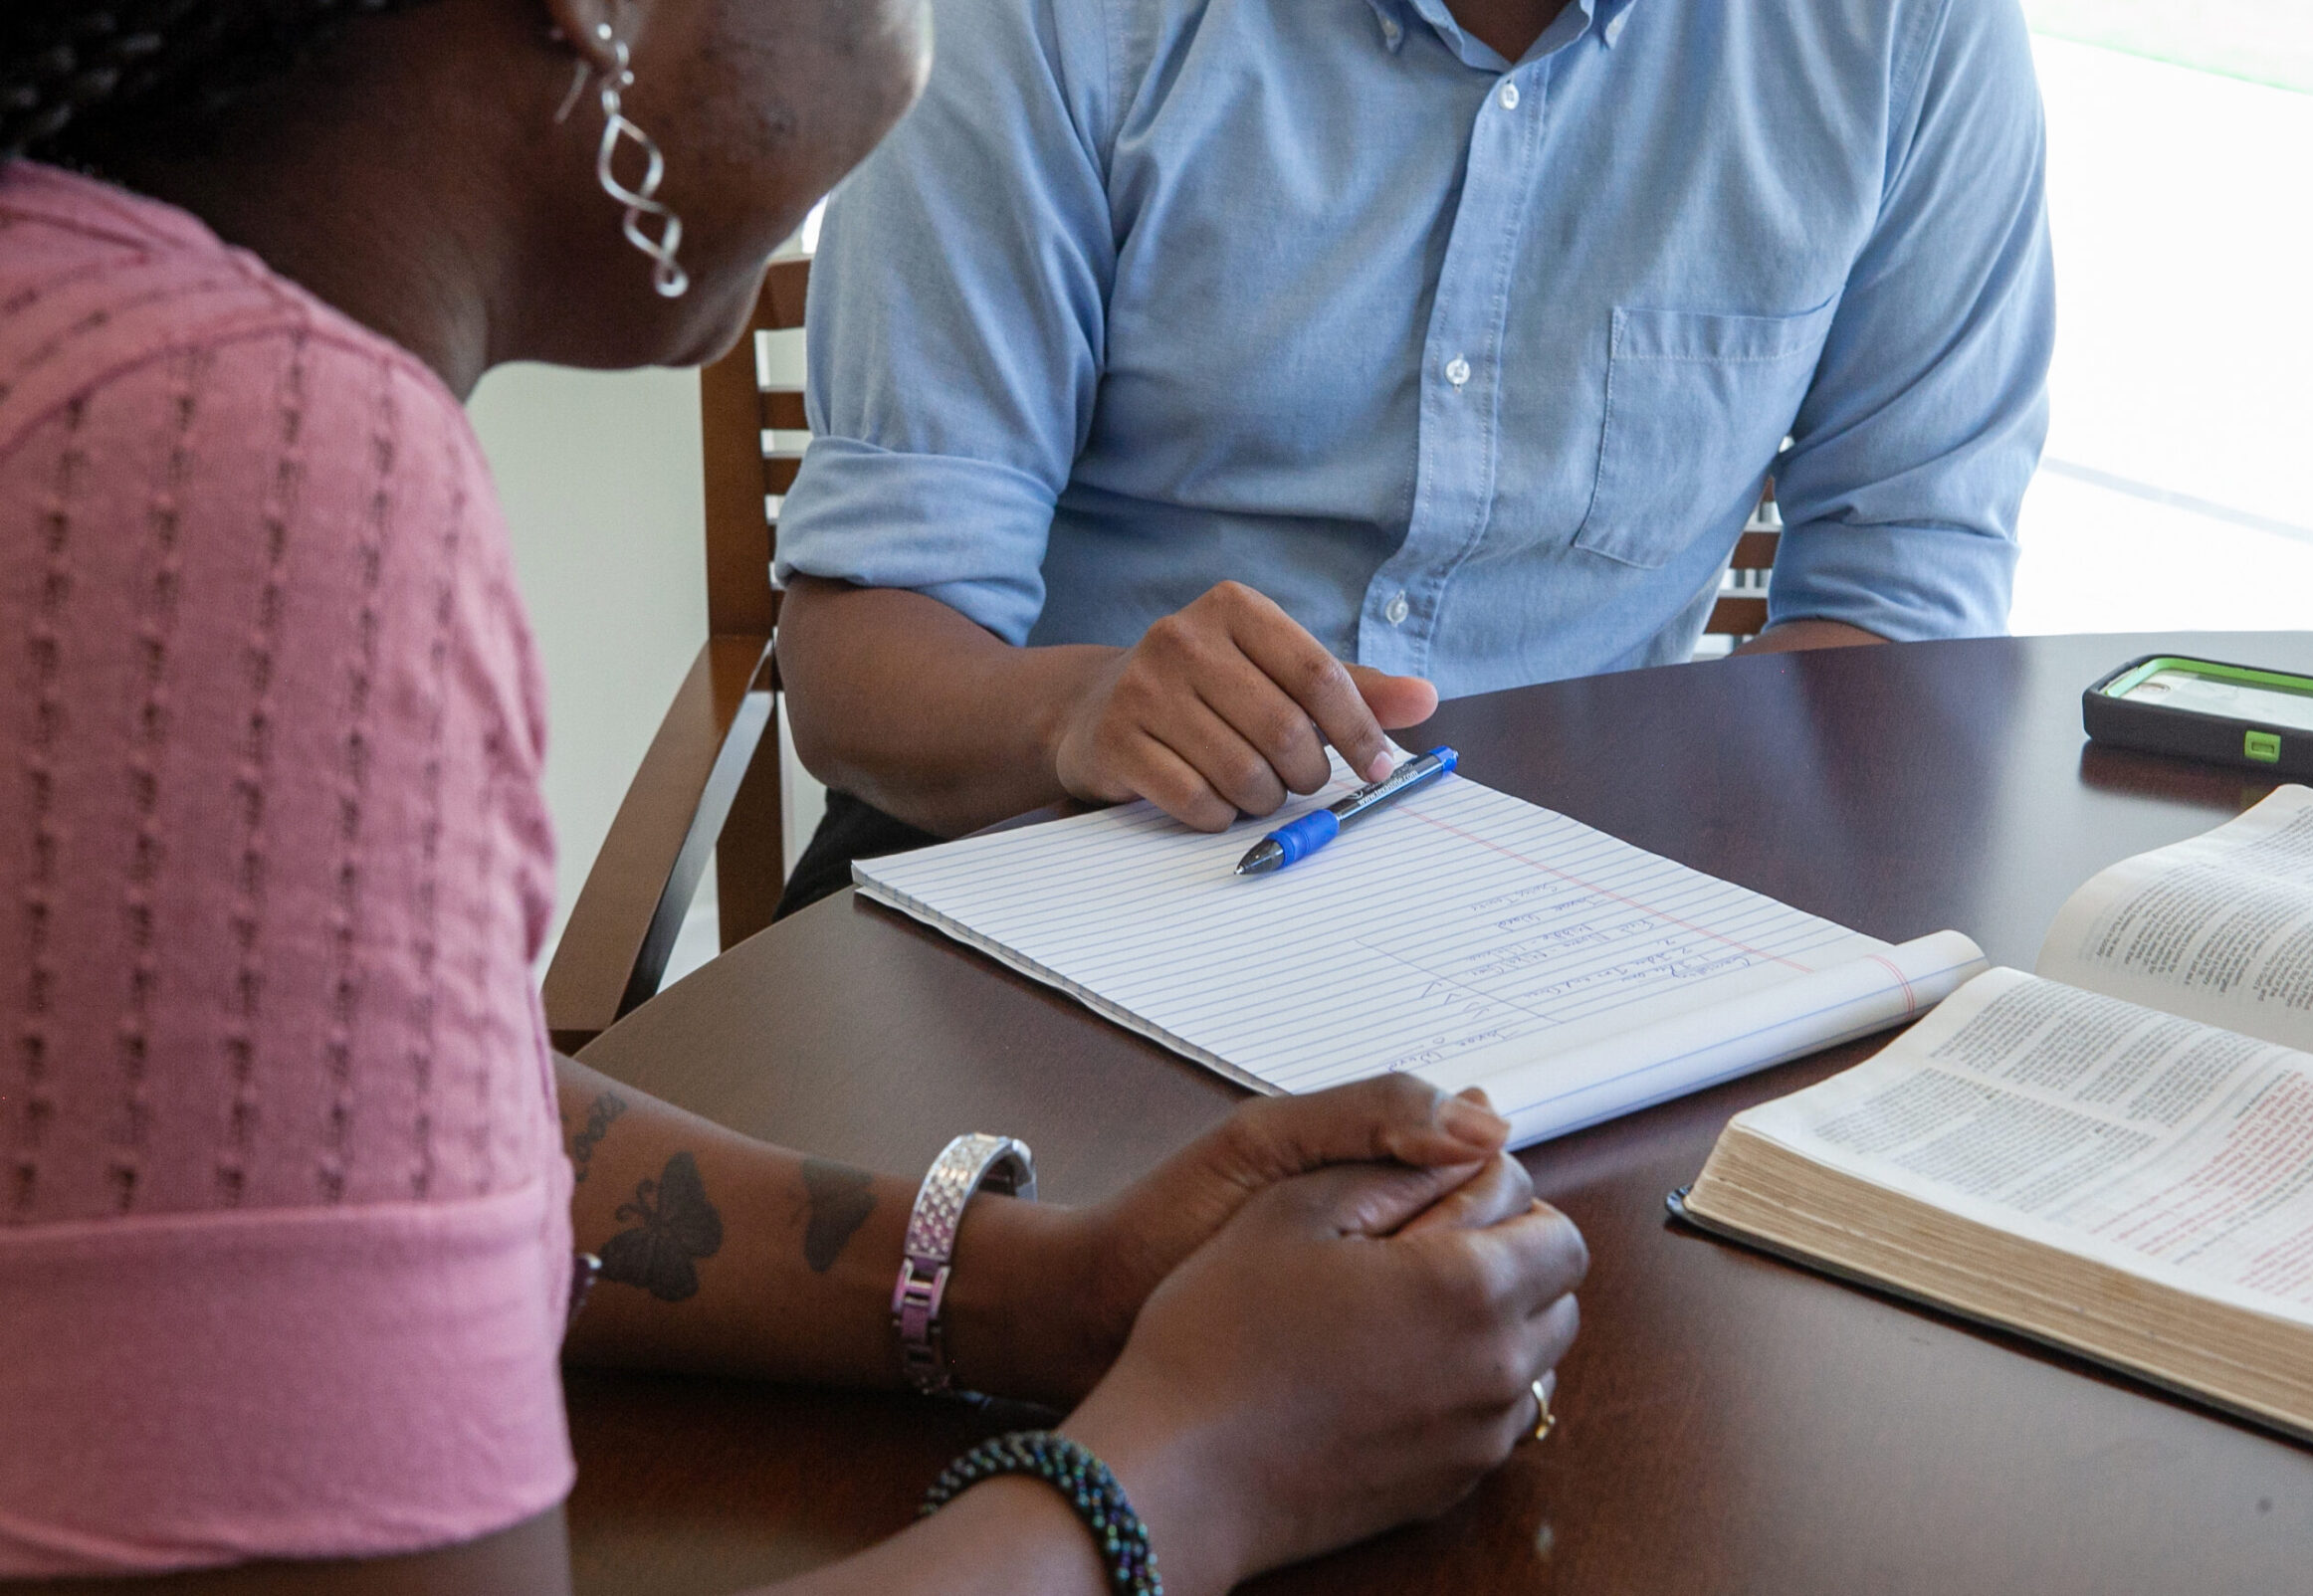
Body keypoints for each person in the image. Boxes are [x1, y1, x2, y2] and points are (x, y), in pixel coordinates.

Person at [0, 3, 1586, 1592]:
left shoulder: (105, 358)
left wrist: (1060, 1290)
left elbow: (385, 1130)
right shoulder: (233, 493)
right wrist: (1199, 1466)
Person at [764, 0, 2056, 912]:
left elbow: (1902, 614)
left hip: (1577, 900)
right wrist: (1076, 714)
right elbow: (864, 657)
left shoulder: (1908, 30)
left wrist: (1660, 908)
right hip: (1048, 854)